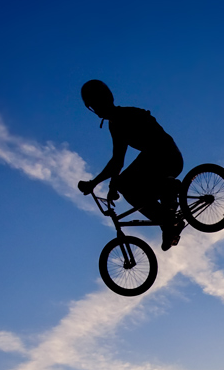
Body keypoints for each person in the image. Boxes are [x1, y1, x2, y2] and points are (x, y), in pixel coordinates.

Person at [77, 80, 184, 250]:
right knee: (126, 185)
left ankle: (168, 196)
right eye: (93, 107)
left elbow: (119, 161)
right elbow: (117, 160)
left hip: (164, 156)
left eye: (96, 105)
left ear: (104, 100)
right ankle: (169, 222)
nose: (96, 110)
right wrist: (112, 185)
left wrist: (96, 183)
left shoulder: (124, 117)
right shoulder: (115, 124)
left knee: (125, 184)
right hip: (164, 158)